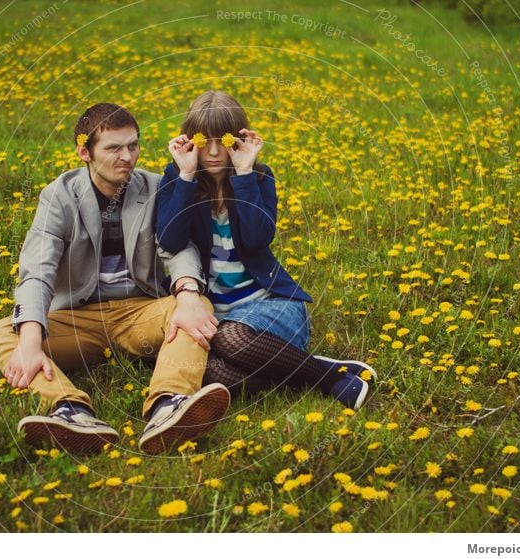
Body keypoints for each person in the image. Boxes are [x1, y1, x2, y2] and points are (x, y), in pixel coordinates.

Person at [0, 102, 230, 456]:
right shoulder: (58, 196)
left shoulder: (154, 186)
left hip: (139, 313)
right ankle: (70, 411)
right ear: (84, 152)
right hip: (79, 317)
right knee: (7, 332)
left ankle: (169, 404)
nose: (127, 157)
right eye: (114, 148)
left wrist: (189, 293)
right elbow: (37, 270)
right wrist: (30, 340)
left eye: (133, 145)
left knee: (194, 306)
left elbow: (177, 246)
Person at [155, 91, 377, 408]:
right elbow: (170, 240)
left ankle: (330, 380)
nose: (215, 152)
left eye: (225, 140)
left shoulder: (258, 176)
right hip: (212, 312)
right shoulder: (176, 177)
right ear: (191, 141)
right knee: (215, 374)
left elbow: (257, 239)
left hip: (268, 304)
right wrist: (187, 176)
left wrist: (244, 174)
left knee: (228, 339)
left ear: (240, 139)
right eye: (205, 141)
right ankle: (307, 365)